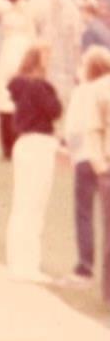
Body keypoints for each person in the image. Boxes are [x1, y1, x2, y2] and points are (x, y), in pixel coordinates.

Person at [4, 45, 64, 283]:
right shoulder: (39, 86)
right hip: (39, 143)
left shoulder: (20, 84)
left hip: (25, 143)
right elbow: (55, 110)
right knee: (34, 206)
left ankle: (17, 261)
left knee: (23, 205)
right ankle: (27, 264)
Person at [66, 46, 110, 286]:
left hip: (86, 156)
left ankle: (85, 265)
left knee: (84, 213)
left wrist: (73, 154)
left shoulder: (84, 92)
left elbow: (73, 128)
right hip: (103, 155)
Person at [0, 0, 36, 160]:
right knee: (5, 103)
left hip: (20, 51)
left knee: (19, 103)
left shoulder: (26, 7)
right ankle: (7, 147)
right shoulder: (3, 7)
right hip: (9, 52)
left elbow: (32, 32)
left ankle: (16, 145)